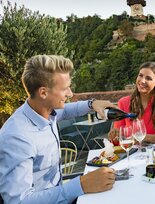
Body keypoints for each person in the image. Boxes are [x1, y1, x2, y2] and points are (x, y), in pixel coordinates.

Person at [0, 55, 117, 204]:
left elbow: (68, 110)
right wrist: (81, 184)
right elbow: (19, 201)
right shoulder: (17, 137)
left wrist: (92, 104)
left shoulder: (45, 111)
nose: (70, 94)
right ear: (43, 93)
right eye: (64, 89)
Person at [108, 62, 155, 144]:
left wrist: (140, 137)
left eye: (148, 78)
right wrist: (114, 136)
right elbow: (118, 140)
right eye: (140, 75)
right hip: (133, 153)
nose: (142, 81)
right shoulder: (123, 102)